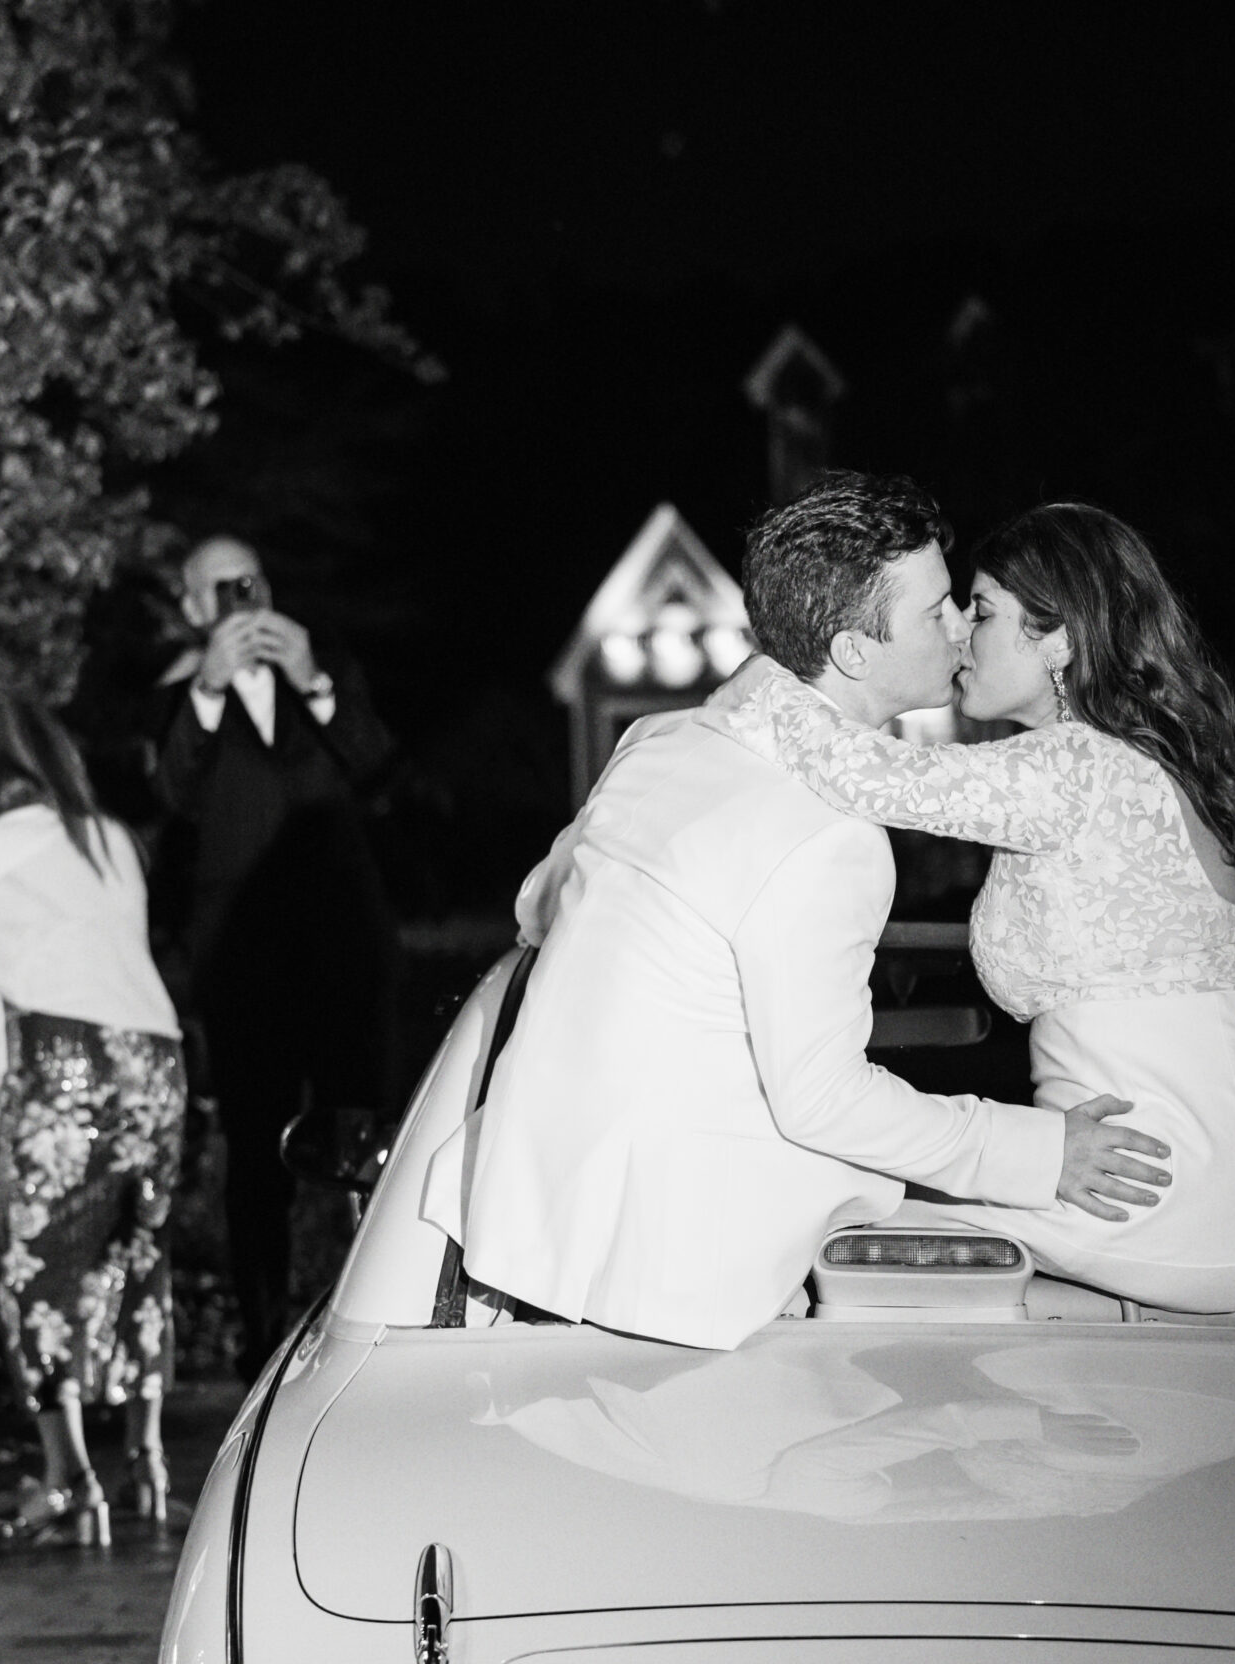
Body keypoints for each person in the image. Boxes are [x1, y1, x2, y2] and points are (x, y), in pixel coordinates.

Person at [430, 473, 1169, 1350]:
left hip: (511, 1215)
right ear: (855, 651)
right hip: (661, 1280)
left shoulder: (658, 740)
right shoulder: (830, 836)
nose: (963, 627)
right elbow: (823, 1102)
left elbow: (537, 907)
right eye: (938, 611)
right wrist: (1040, 1152)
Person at [720, 501, 1235, 1314]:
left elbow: (859, 770)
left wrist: (766, 667)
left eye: (981, 612)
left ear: (1060, 639)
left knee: (802, 1212)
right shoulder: (1149, 765)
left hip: (1167, 1191)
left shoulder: (1078, 766)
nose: (957, 635)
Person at [155, 533, 395, 1376]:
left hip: (340, 948)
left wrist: (314, 683)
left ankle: (371, 1329)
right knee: (255, 1157)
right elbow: (171, 791)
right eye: (217, 590)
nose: (238, 601)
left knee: (359, 1141)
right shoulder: (180, 697)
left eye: (247, 582)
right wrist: (211, 688)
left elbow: (373, 761)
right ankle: (261, 1342)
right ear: (192, 608)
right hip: (241, 963)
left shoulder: (321, 672)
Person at [0, 697, 186, 1544]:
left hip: (65, 1063)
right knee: (135, 1261)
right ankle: (149, 1465)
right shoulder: (111, 840)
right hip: (155, 1061)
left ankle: (70, 1480)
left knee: (43, 1270)